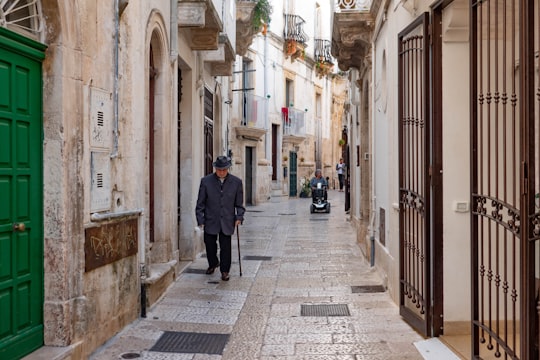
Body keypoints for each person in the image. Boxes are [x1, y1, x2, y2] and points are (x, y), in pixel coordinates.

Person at [196, 156, 245, 281]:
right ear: (215, 168)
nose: (221, 172)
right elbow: (200, 204)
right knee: (209, 244)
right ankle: (213, 263)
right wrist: (200, 220)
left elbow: (239, 204)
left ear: (228, 168)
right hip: (210, 219)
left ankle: (225, 271)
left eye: (224, 169)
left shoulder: (236, 182)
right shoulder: (206, 181)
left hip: (227, 220)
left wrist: (239, 216)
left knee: (226, 247)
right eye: (219, 169)